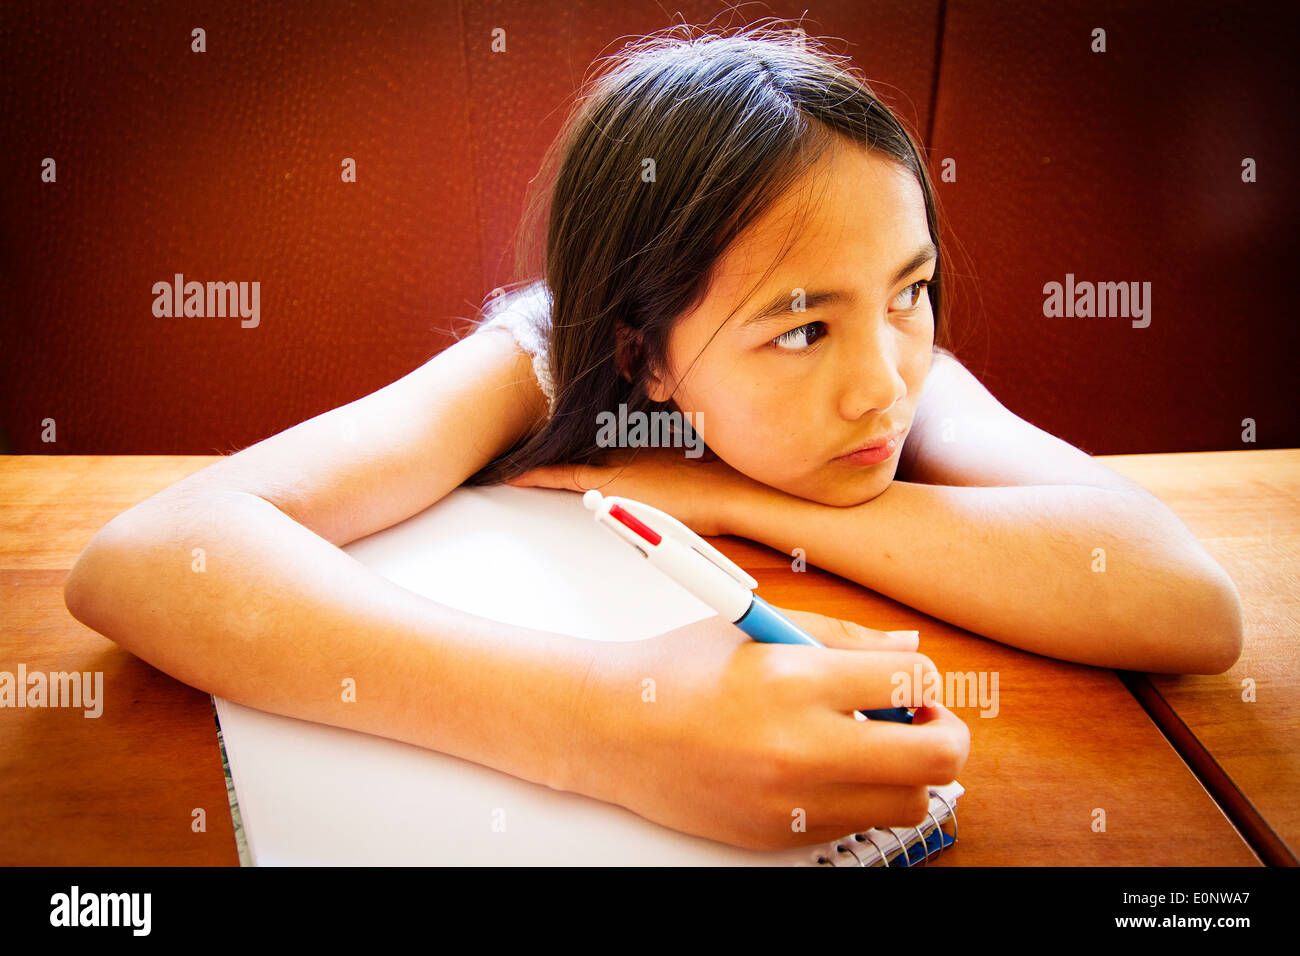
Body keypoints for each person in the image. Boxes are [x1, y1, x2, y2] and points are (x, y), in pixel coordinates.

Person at [63, 24, 1241, 853]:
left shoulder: (898, 365)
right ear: (644, 354)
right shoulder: (537, 357)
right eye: (798, 328)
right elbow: (151, 556)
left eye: (910, 286)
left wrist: (733, 500)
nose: (879, 382)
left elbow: (1186, 602)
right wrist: (615, 726)